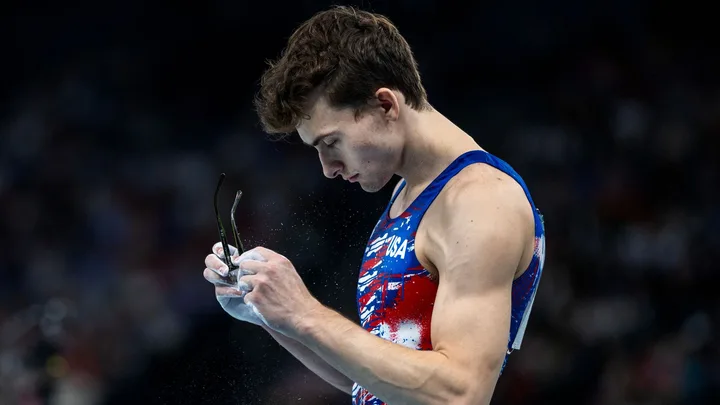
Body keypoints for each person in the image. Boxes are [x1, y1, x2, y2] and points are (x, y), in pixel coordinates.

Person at [203, 5, 545, 405]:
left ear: (385, 105)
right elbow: (369, 382)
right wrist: (273, 315)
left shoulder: (481, 200)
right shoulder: (407, 198)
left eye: (331, 143)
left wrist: (304, 312)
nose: (327, 169)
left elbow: (461, 394)